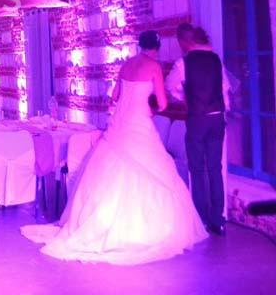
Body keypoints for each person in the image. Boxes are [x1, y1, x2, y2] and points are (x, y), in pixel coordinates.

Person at [22, 30, 207, 265]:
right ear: (157, 47)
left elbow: (115, 96)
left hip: (120, 125)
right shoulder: (154, 67)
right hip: (140, 124)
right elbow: (161, 103)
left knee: (110, 170)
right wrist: (150, 109)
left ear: (140, 45)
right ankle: (140, 229)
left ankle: (100, 223)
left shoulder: (127, 65)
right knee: (151, 169)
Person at [166, 24, 230, 236]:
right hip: (217, 117)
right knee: (214, 168)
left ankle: (201, 220)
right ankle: (218, 220)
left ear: (184, 42)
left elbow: (170, 86)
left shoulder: (183, 63)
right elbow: (225, 89)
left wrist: (186, 99)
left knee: (197, 169)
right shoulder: (215, 59)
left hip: (198, 119)